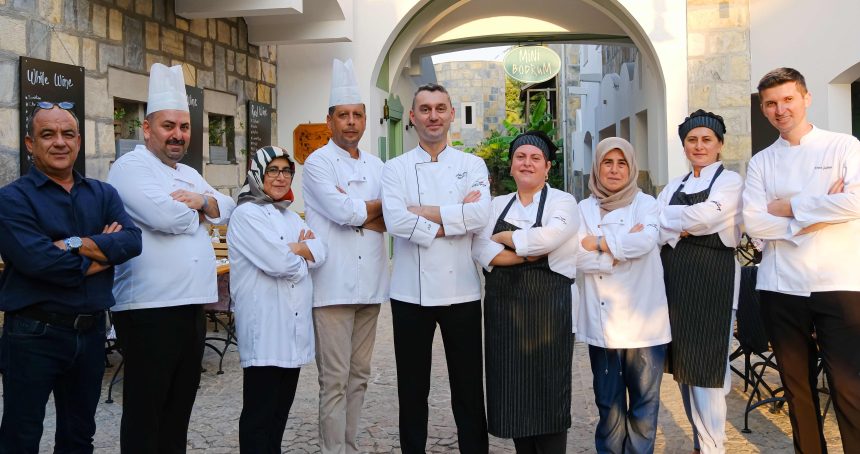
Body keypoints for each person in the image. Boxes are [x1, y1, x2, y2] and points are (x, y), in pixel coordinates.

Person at [107, 63, 236, 453]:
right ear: (147, 129)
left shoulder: (190, 173)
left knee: (180, 409)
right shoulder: (128, 167)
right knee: (147, 411)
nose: (177, 134)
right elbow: (167, 217)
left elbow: (229, 206)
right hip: (149, 309)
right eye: (168, 126)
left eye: (183, 127)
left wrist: (203, 201)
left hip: (191, 307)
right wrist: (200, 211)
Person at [0, 102, 142, 453]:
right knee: (20, 436)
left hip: (90, 332)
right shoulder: (11, 199)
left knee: (79, 436)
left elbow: (133, 241)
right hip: (33, 334)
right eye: (48, 134)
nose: (59, 142)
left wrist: (74, 244)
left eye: (68, 134)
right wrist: (105, 254)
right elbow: (42, 264)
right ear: (30, 144)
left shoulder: (103, 193)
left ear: (79, 141)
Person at [742, 67, 860, 453]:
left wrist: (789, 207)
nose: (780, 109)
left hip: (838, 283)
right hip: (780, 286)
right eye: (771, 103)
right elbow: (755, 222)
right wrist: (815, 217)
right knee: (797, 390)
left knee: (849, 386)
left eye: (788, 99)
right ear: (764, 109)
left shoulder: (844, 146)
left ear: (806, 98)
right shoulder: (761, 162)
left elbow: (856, 201)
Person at [381, 83, 491, 454]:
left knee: (468, 387)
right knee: (412, 389)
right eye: (425, 109)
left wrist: (423, 212)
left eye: (440, 108)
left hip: (461, 290)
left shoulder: (471, 164)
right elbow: (395, 220)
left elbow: (480, 215)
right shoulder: (394, 168)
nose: (433, 115)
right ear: (411, 117)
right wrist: (453, 221)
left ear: (451, 115)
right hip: (409, 293)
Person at [472, 131, 580, 453]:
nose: (527, 163)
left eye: (535, 158)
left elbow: (548, 240)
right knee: (514, 395)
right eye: (521, 157)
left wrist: (503, 237)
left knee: (549, 397)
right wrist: (526, 250)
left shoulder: (563, 201)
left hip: (549, 314)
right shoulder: (494, 205)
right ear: (511, 165)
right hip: (505, 317)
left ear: (547, 167)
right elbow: (480, 248)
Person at [301, 59, 389, 454]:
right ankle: (333, 449)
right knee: (333, 378)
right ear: (330, 120)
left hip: (370, 284)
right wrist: (368, 211)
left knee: (360, 375)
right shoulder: (317, 162)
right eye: (343, 116)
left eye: (357, 115)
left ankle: (349, 445)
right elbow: (342, 213)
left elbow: (391, 216)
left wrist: (360, 212)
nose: (351, 122)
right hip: (332, 285)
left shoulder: (378, 165)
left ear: (365, 119)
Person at [576, 137, 671, 454]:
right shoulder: (583, 209)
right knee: (608, 407)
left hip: (645, 324)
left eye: (622, 163)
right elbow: (576, 256)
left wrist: (598, 243)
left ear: (631, 168)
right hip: (602, 327)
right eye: (607, 162)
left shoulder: (647, 204)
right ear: (597, 167)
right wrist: (617, 249)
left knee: (644, 408)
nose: (614, 170)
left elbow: (644, 242)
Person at [228, 146, 326, 453]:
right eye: (273, 170)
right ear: (257, 173)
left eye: (286, 171)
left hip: (292, 334)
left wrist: (296, 250)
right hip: (265, 330)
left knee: (279, 417)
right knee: (259, 418)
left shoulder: (287, 215)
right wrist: (299, 252)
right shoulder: (246, 214)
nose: (281, 177)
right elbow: (280, 264)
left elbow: (322, 252)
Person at [657, 110, 743, 454]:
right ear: (684, 145)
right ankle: (699, 442)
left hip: (713, 284)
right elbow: (655, 223)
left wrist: (673, 223)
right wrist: (686, 223)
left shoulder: (730, 181)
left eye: (707, 139)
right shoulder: (673, 185)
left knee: (708, 372)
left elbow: (709, 216)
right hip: (675, 285)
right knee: (684, 368)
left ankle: (713, 448)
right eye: (692, 140)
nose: (699, 145)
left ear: (720, 144)